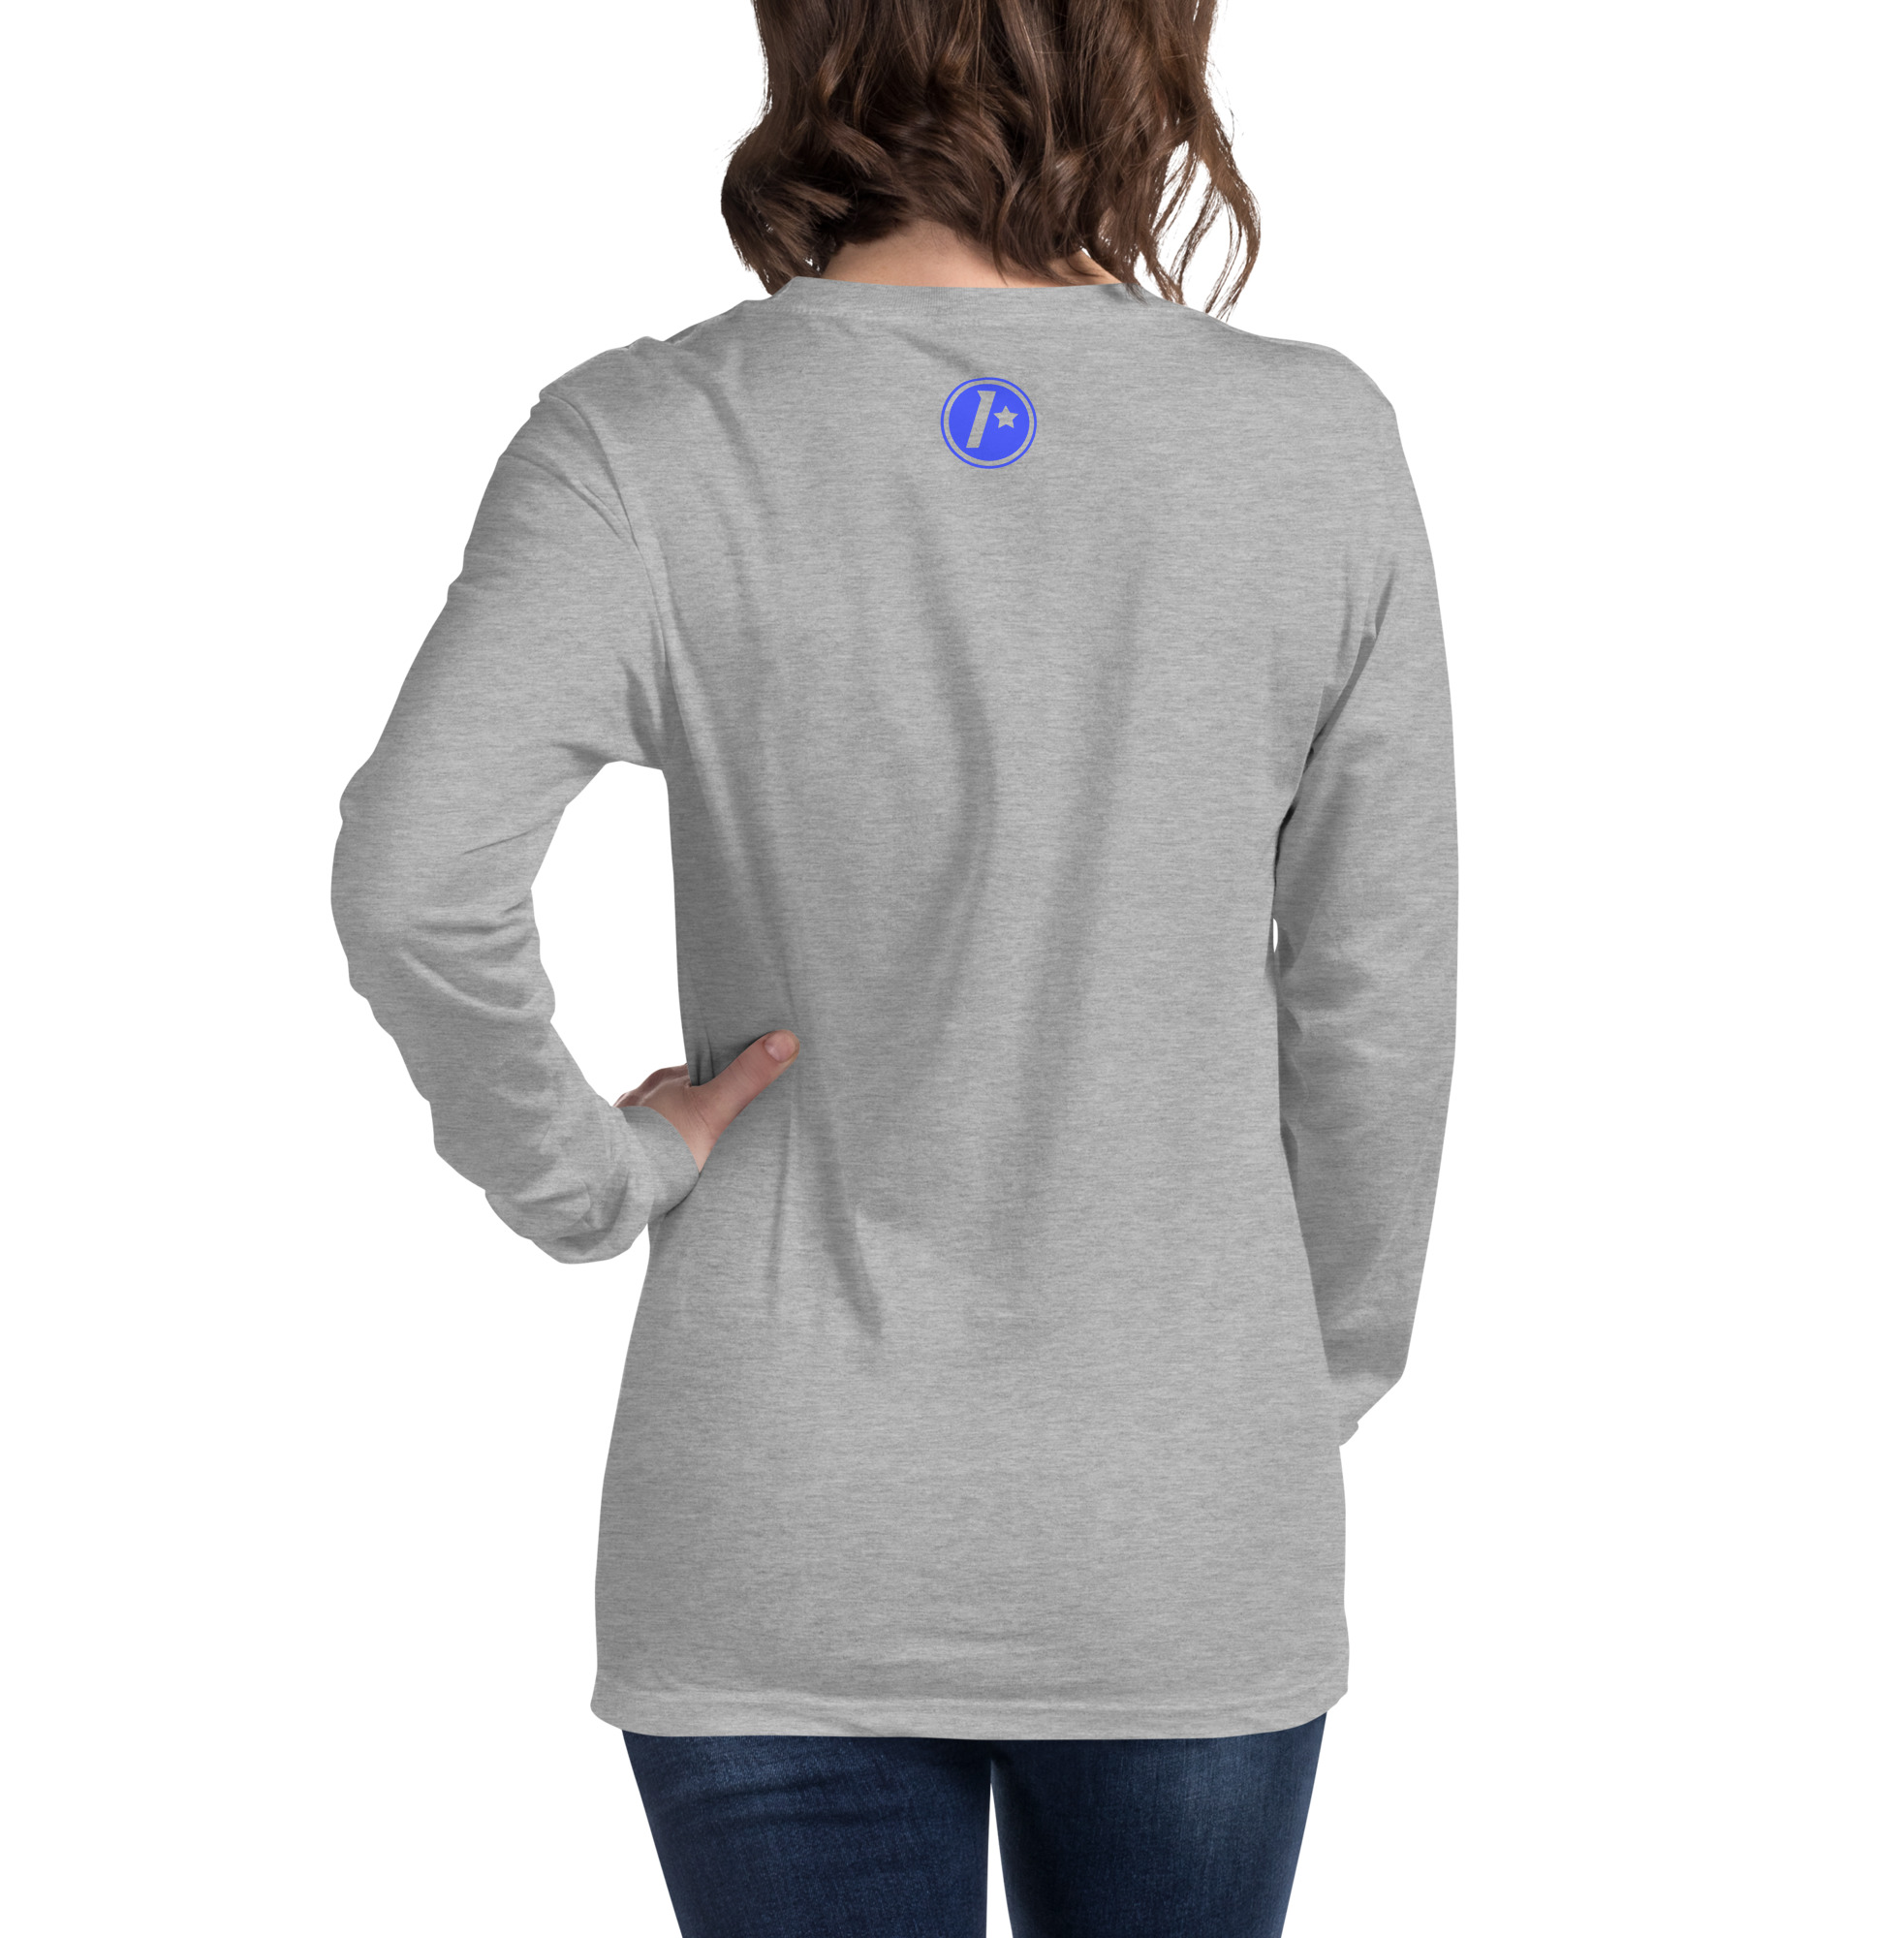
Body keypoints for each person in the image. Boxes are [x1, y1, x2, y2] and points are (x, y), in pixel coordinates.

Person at [330, 1, 1456, 1930]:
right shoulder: (1308, 443)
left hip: (775, 1516)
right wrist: (1295, 1387)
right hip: (1173, 1506)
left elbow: (414, 881)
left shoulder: (646, 439)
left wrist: (595, 1175)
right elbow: (1374, 995)